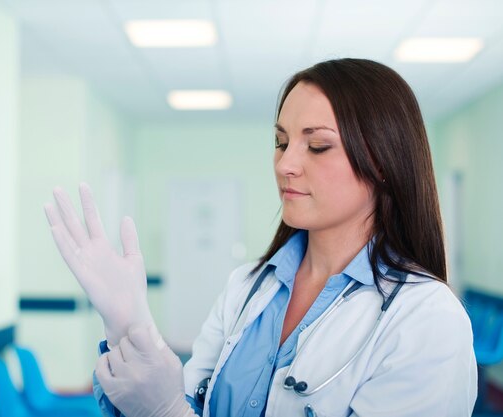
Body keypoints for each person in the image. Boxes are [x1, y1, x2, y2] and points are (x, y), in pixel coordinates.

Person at [44, 58, 478, 417]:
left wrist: (167, 412)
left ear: (383, 162)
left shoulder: (427, 321)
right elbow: (175, 402)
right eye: (280, 141)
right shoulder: (247, 287)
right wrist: (128, 330)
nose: (285, 164)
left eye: (317, 146)